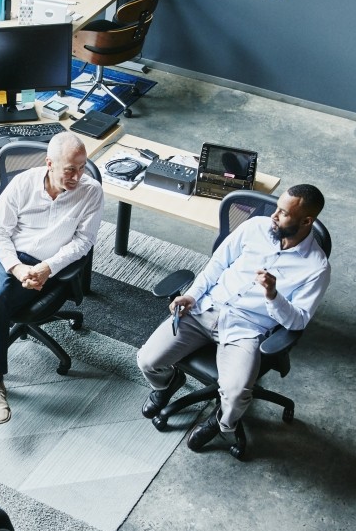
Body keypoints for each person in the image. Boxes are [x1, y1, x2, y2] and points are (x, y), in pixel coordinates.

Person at [137, 184, 330, 453]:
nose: (273, 216)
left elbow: (297, 321)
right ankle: (169, 383)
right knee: (147, 360)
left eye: (283, 213)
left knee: (237, 393)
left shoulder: (316, 268)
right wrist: (191, 296)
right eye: (276, 208)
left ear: (307, 221)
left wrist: (273, 295)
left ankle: (221, 423)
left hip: (246, 329)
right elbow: (216, 264)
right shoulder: (255, 227)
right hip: (206, 308)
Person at [0, 132, 104, 424]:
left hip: (48, 265)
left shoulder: (91, 191)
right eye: (70, 169)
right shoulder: (23, 183)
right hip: (7, 256)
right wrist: (17, 268)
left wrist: (47, 267)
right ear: (49, 164)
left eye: (82, 167)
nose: (77, 175)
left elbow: (83, 242)